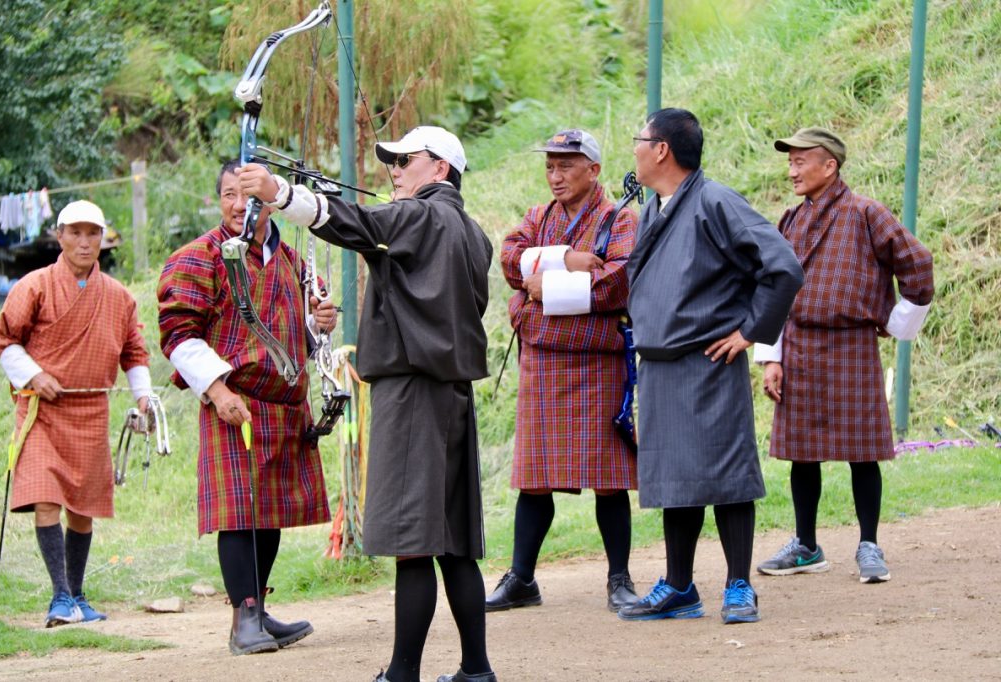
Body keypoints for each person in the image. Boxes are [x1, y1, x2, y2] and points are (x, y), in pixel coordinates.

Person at [238, 125, 496, 682]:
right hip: (453, 395)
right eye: (392, 161)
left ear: (441, 170)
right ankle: (477, 671)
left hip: (410, 393)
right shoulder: (474, 235)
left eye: (407, 160)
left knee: (413, 542)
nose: (395, 170)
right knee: (453, 544)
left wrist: (281, 195)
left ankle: (403, 674)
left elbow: (355, 224)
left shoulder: (418, 217)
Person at [618, 108, 804, 625]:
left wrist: (750, 331)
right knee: (676, 478)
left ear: (661, 150)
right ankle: (680, 586)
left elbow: (783, 267)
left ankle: (739, 585)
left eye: (640, 139)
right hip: (660, 366)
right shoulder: (655, 208)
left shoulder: (715, 201)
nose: (633, 148)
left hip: (707, 361)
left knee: (726, 475)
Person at [157, 160, 337, 655]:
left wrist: (319, 324)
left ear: (269, 199)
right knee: (239, 512)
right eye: (229, 196)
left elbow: (296, 337)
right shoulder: (198, 257)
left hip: (284, 402)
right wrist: (217, 391)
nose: (239, 206)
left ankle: (257, 607)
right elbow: (178, 335)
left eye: (248, 195)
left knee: (269, 510)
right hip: (232, 399)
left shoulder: (293, 261)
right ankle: (243, 620)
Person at [754, 127, 934, 583]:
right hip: (798, 345)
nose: (792, 170)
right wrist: (770, 357)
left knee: (863, 453)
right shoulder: (790, 220)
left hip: (851, 344)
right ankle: (806, 545)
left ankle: (869, 544)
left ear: (829, 165)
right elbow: (771, 288)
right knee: (801, 454)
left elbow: (918, 262)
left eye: (800, 161)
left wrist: (897, 323)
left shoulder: (866, 213)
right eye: (789, 162)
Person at [489, 129, 639, 614]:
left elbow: (616, 283)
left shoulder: (620, 219)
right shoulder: (538, 217)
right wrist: (566, 260)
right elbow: (511, 263)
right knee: (534, 478)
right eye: (550, 166)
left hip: (598, 366)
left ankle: (619, 579)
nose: (555, 176)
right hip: (545, 366)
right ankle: (522, 580)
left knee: (610, 479)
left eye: (566, 166)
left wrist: (541, 294)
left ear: (593, 170)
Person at [0, 200, 152, 627]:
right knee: (46, 499)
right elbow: (7, 341)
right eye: (76, 233)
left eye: (93, 234)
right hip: (42, 410)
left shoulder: (119, 297)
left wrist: (144, 399)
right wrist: (33, 375)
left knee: (82, 508)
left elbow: (134, 352)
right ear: (59, 236)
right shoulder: (34, 286)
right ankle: (59, 597)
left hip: (90, 411)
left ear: (103, 239)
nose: (84, 242)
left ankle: (78, 595)